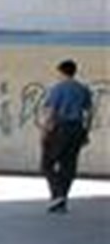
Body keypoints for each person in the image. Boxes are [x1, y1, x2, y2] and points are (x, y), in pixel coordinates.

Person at [40, 59, 93, 213]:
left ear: (62, 72)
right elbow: (89, 113)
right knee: (68, 165)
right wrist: (85, 132)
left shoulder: (57, 89)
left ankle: (57, 195)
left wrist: (45, 131)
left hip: (60, 128)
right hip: (76, 128)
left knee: (47, 164)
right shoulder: (83, 89)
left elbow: (51, 112)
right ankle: (61, 200)